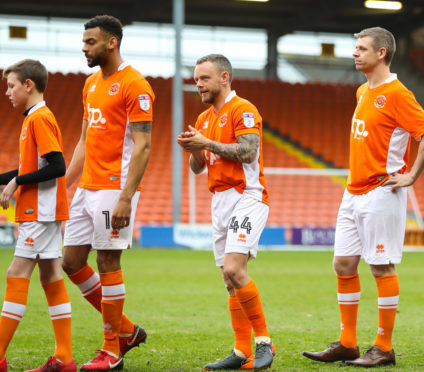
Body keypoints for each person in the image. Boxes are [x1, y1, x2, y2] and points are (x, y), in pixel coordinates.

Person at [302, 27, 424, 368]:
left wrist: (411, 176)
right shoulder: (363, 90)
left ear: (381, 53)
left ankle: (384, 347)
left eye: (362, 48)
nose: (355, 53)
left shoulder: (397, 94)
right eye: (355, 47)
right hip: (353, 191)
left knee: (380, 266)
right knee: (344, 263)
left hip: (381, 191)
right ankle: (348, 343)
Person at [61, 15, 154, 371]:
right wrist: (64, 184)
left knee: (107, 261)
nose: (84, 48)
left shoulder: (136, 85)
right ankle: (127, 330)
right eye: (84, 42)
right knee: (71, 262)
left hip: (114, 187)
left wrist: (127, 196)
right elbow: (84, 140)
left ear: (111, 42)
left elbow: (143, 146)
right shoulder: (90, 84)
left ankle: (111, 348)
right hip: (87, 187)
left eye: (90, 42)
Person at [177, 54, 275, 371]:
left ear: (224, 77)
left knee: (235, 269)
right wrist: (195, 148)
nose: (199, 84)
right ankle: (241, 352)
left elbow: (248, 151)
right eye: (196, 79)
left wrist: (207, 142)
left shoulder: (242, 109)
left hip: (247, 195)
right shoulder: (205, 118)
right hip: (219, 199)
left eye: (204, 78)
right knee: (228, 280)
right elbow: (197, 167)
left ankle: (263, 342)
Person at [0, 59, 75, 372]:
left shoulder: (39, 118)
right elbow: (36, 167)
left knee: (16, 273)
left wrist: (16, 183)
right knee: (50, 276)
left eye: (12, 86)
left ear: (28, 85)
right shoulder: (34, 118)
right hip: (44, 211)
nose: (8, 92)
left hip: (39, 211)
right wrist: (6, 178)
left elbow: (57, 166)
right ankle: (64, 358)